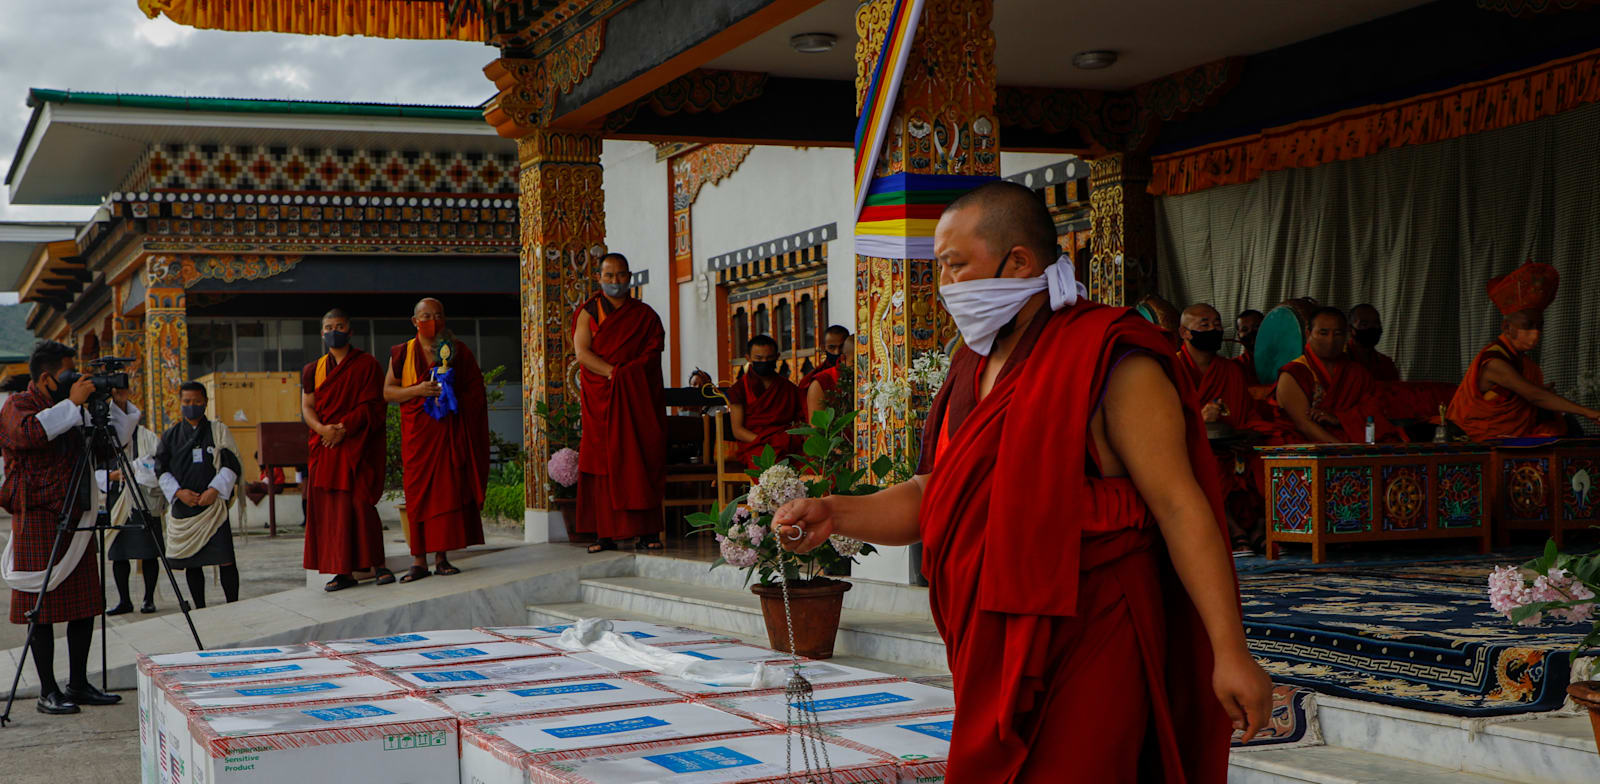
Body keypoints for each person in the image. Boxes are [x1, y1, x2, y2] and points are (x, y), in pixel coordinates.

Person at [774, 182, 1271, 782]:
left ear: (1018, 263)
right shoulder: (972, 364)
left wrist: (1231, 650)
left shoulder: (1111, 356)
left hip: (1094, 629)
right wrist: (836, 513)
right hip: (992, 642)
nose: (946, 289)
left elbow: (1179, 506)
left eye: (956, 267)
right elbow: (942, 493)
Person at [0, 342, 128, 714]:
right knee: (38, 607)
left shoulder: (73, 411)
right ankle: (47, 690)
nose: (79, 382)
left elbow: (106, 450)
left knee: (84, 603)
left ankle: (78, 683)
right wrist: (72, 404)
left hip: (76, 512)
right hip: (37, 514)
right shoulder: (17, 406)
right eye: (71, 374)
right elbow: (30, 435)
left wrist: (109, 408)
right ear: (46, 377)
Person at [385, 297, 489, 582]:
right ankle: (418, 560)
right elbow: (388, 392)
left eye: (438, 315)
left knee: (446, 492)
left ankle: (442, 558)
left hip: (448, 433)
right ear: (415, 321)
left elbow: (477, 390)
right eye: (426, 316)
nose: (432, 321)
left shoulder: (458, 351)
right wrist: (418, 390)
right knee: (418, 495)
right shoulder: (402, 352)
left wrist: (453, 394)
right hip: (418, 438)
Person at [572, 253, 667, 554]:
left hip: (636, 398)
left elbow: (653, 354)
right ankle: (604, 534)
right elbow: (582, 353)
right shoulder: (588, 311)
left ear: (630, 277)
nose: (615, 281)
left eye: (621, 275)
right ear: (598, 278)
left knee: (640, 459)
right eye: (609, 276)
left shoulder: (645, 315)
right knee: (602, 462)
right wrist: (614, 373)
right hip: (602, 395)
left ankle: (646, 531)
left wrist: (628, 375)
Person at [1447, 263, 1600, 439]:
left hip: (1513, 434)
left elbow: (1526, 394)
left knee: (1560, 427)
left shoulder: (1526, 364)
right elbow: (1534, 396)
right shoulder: (1494, 362)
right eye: (1528, 326)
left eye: (1539, 326)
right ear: (1507, 327)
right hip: (1477, 436)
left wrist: (1541, 392)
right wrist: (1588, 412)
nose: (1536, 333)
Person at [301, 309, 391, 591]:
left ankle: (378, 564)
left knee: (360, 505)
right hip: (325, 446)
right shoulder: (312, 370)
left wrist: (343, 428)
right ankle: (342, 571)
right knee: (331, 512)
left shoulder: (367, 365)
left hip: (356, 446)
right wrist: (322, 430)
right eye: (328, 326)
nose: (333, 331)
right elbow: (307, 406)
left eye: (339, 326)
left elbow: (375, 405)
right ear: (322, 333)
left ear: (350, 331)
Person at [1178, 304, 1267, 554]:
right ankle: (1232, 529)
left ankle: (1260, 527)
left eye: (1217, 324)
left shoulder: (1230, 370)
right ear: (1184, 332)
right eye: (1204, 325)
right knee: (1209, 466)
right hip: (1191, 445)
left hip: (1233, 445)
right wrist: (1200, 418)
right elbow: (1161, 420)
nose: (1213, 329)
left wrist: (1246, 435)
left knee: (1264, 460)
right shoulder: (1172, 369)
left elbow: (1248, 413)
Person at [155, 382, 243, 609]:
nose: (191, 406)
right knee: (192, 562)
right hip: (186, 506)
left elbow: (230, 463)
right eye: (186, 402)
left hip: (213, 508)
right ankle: (200, 607)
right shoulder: (170, 436)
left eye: (196, 402)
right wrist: (178, 492)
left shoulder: (218, 431)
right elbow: (161, 469)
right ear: (180, 403)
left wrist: (214, 490)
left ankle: (233, 604)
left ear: (205, 402)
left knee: (225, 559)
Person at [1271, 307, 1397, 444]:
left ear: (1346, 335)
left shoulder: (1357, 373)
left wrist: (1340, 419)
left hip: (1352, 443)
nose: (1331, 340)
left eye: (1337, 334)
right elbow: (1304, 425)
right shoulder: (1294, 373)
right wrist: (1344, 450)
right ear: (1308, 334)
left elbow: (1374, 412)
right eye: (1323, 333)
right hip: (1309, 448)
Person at [102, 387, 165, 615]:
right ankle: (124, 600)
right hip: (117, 501)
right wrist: (112, 476)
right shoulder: (104, 439)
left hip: (143, 500)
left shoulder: (147, 437)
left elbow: (157, 467)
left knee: (149, 552)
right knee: (119, 554)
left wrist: (136, 472)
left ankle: (148, 599)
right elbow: (93, 470)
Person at [726, 335, 803, 466]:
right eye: (759, 358)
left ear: (777, 357)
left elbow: (800, 420)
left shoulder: (787, 388)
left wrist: (785, 440)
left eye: (769, 358)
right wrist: (766, 442)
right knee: (768, 463)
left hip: (785, 442)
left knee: (808, 462)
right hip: (756, 444)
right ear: (748, 358)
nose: (764, 362)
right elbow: (738, 430)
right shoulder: (740, 389)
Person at [803, 326, 853, 424]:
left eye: (841, 347)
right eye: (831, 347)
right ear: (823, 348)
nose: (837, 352)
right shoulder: (819, 380)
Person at [1347, 304, 1401, 382]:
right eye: (1364, 324)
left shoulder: (1386, 364)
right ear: (1350, 329)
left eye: (1376, 323)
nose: (1372, 328)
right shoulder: (1340, 361)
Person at [1232, 309, 1264, 385]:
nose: (1251, 331)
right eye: (1245, 329)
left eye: (1256, 326)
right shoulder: (1236, 366)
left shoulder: (1285, 359)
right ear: (1239, 336)